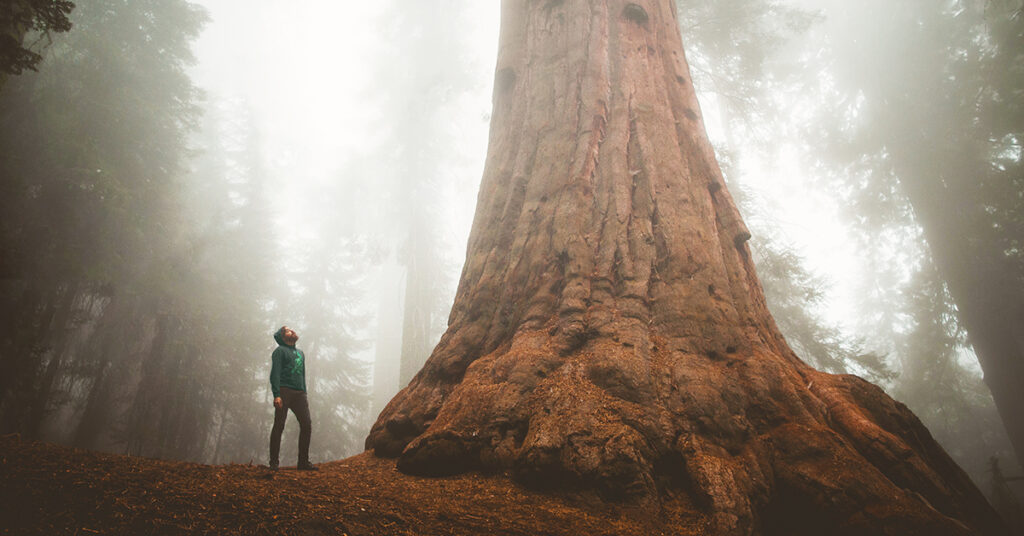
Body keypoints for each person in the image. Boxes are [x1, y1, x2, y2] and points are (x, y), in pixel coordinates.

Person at [269, 325, 316, 471]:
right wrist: (276, 395)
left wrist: (304, 391)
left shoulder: (301, 353)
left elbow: (302, 374)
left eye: (292, 329)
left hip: (299, 393)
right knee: (279, 425)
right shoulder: (279, 352)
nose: (293, 331)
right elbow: (275, 373)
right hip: (284, 391)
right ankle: (274, 463)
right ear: (282, 337)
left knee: (306, 424)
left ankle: (303, 462)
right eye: (288, 330)